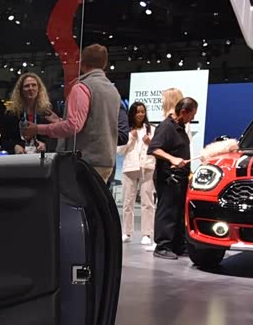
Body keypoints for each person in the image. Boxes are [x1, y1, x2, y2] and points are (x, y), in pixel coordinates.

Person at [22, 44, 120, 183]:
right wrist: (60, 121)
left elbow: (73, 126)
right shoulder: (112, 90)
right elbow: (95, 123)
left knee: (74, 197)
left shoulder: (82, 88)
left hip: (84, 162)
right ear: (104, 64)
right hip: (106, 161)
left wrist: (37, 129)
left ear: (82, 63)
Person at [147, 97, 198, 260]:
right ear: (183, 112)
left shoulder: (180, 128)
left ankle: (177, 245)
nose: (192, 119)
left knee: (178, 212)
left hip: (180, 178)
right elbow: (153, 148)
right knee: (167, 211)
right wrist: (172, 159)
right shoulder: (166, 127)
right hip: (168, 177)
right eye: (191, 115)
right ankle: (162, 246)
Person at [118, 101, 156, 245]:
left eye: (142, 111)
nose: (140, 114)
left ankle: (147, 234)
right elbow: (119, 151)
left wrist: (150, 143)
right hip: (130, 168)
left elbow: (158, 149)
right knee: (128, 201)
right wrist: (130, 138)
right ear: (132, 114)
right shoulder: (126, 131)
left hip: (147, 167)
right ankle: (127, 232)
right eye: (137, 112)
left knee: (147, 201)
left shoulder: (152, 129)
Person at [3, 73, 59, 154]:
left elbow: (57, 136)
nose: (30, 88)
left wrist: (46, 145)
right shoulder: (12, 113)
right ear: (20, 90)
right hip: (19, 157)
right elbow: (3, 140)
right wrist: (14, 146)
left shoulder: (47, 111)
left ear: (39, 88)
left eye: (34, 85)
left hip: (43, 157)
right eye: (26, 86)